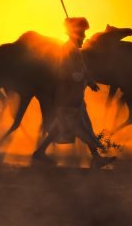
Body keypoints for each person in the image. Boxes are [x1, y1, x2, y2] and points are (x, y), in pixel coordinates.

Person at [31, 17, 116, 168]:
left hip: (75, 97)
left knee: (77, 125)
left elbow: (81, 70)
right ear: (75, 33)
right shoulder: (67, 49)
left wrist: (89, 81)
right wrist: (81, 77)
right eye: (82, 33)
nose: (84, 37)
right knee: (79, 127)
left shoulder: (75, 51)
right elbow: (65, 72)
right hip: (68, 97)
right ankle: (95, 157)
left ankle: (41, 152)